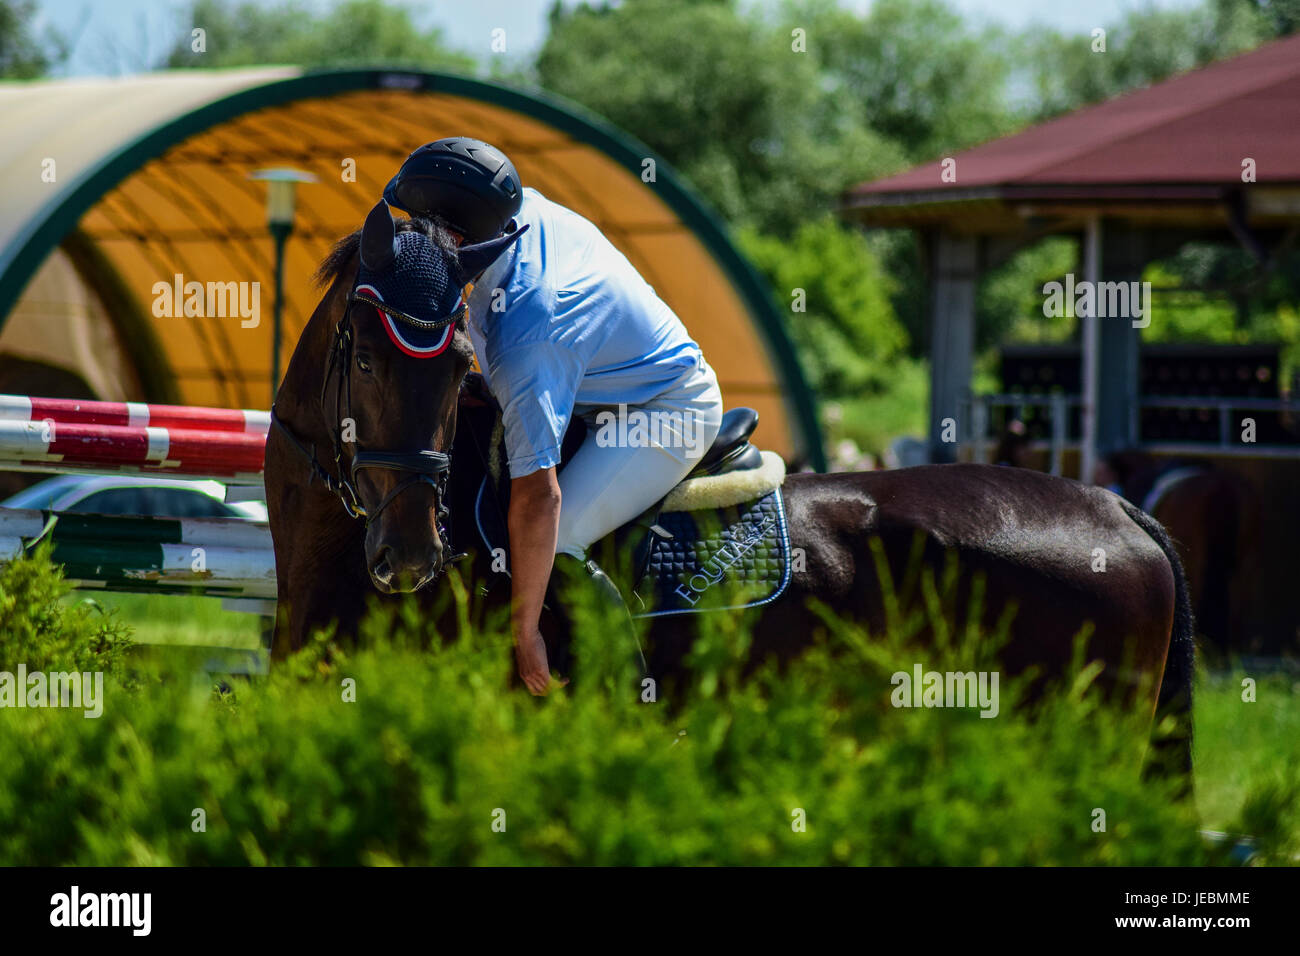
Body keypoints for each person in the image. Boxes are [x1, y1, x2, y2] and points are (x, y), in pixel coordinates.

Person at [383, 138, 723, 695]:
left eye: (421, 229)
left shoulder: (529, 335)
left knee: (559, 539)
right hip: (595, 383)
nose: (410, 241)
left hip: (667, 409)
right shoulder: (512, 212)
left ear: (464, 240)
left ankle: (635, 706)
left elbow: (538, 498)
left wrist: (524, 630)